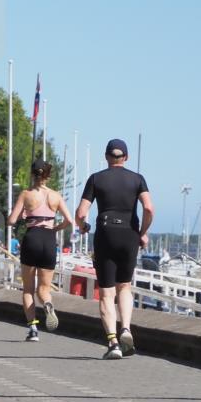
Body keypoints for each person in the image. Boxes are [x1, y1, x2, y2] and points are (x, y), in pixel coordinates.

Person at [75, 138, 153, 359]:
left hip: (105, 233)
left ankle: (112, 343)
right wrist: (143, 232)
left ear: (107, 157)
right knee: (125, 287)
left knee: (107, 293)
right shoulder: (137, 179)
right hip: (129, 233)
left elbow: (81, 213)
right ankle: (126, 328)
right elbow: (148, 207)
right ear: (126, 157)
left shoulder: (96, 179)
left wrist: (83, 227)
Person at [8, 158, 74, 342]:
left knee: (28, 289)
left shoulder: (26, 194)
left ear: (32, 174)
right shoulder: (56, 196)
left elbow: (12, 221)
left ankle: (33, 330)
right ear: (48, 175)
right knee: (43, 289)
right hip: (48, 239)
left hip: (32, 237)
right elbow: (69, 220)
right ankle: (47, 303)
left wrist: (21, 216)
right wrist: (56, 228)